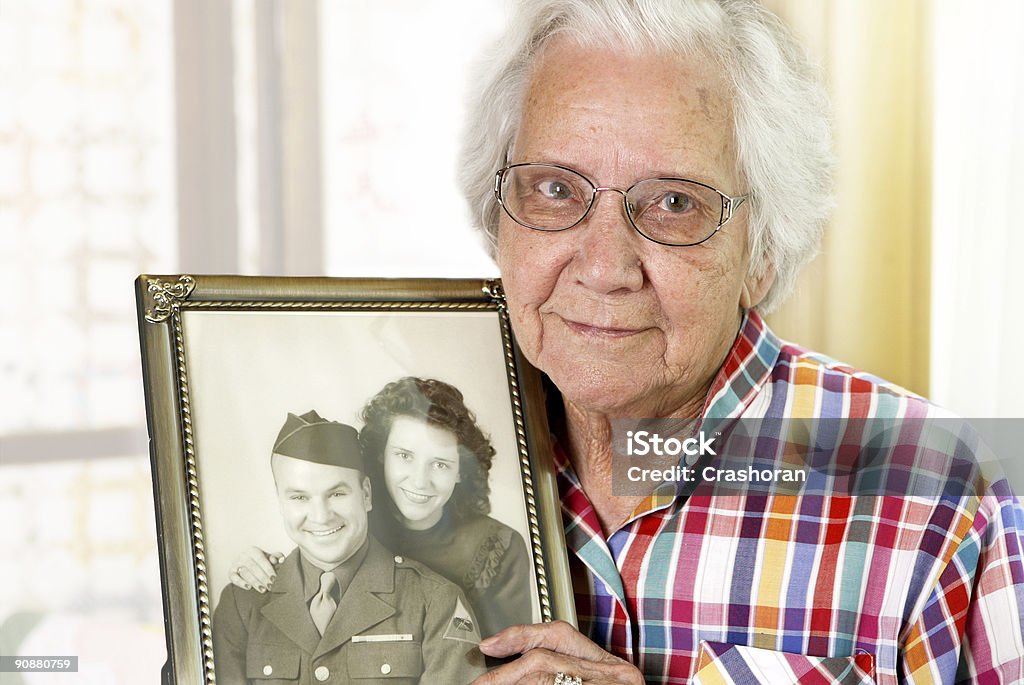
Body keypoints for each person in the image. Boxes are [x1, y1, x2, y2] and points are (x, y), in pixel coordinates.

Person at [446, 1, 1023, 684]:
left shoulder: (945, 498)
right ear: (498, 218)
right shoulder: (421, 461)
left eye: (674, 203)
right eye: (553, 188)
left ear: (763, 253)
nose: (603, 267)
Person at [231, 379, 534, 640]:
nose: (419, 480)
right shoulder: (349, 523)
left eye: (440, 463)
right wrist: (257, 564)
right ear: (381, 456)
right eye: (404, 455)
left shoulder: (498, 547)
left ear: (460, 471)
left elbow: (506, 662)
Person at [211, 410, 485, 684]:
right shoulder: (243, 603)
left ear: (365, 494)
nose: (321, 516)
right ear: (281, 503)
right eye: (299, 497)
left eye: (337, 494)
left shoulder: (436, 601)